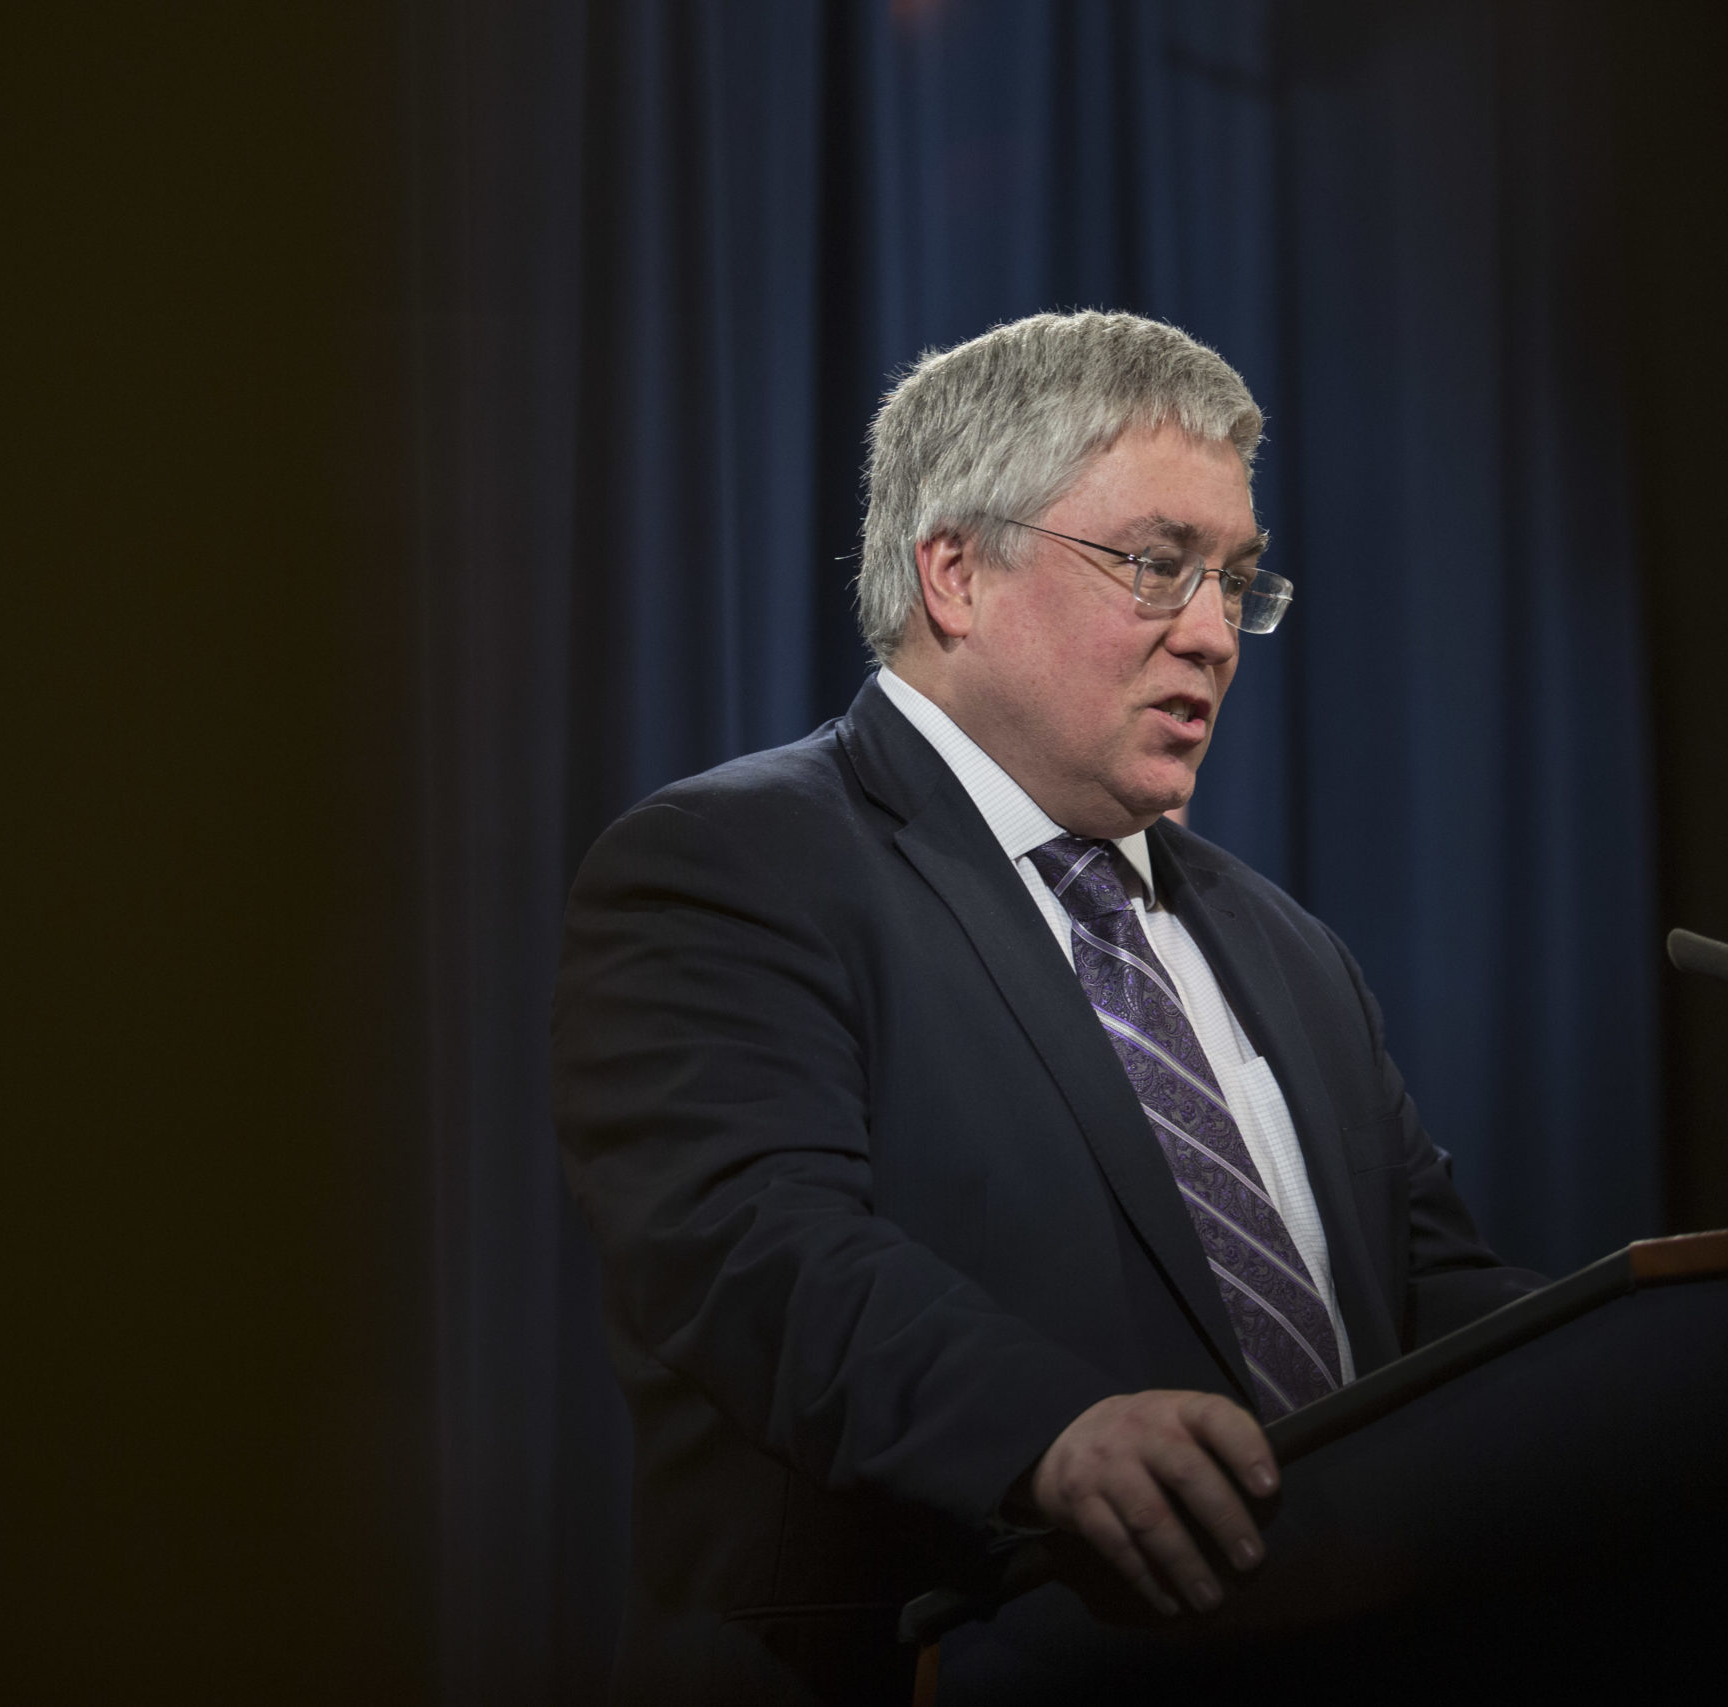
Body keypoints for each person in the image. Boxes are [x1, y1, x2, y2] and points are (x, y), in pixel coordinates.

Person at [552, 311, 1540, 1704]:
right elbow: (756, 1249)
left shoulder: (1288, 946)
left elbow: (1434, 1299)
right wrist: (1051, 1429)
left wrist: (1680, 1383)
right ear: (955, 570)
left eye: (1236, 581)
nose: (1211, 634)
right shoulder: (733, 864)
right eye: (1156, 564)